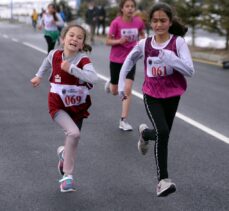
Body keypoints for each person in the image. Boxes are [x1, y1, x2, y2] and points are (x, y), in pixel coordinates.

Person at [118, 2, 195, 196]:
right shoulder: (145, 44)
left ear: (170, 22)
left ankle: (145, 134)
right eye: (155, 21)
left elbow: (190, 71)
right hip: (151, 94)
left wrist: (172, 59)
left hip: (173, 94)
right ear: (150, 23)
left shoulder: (178, 43)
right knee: (163, 131)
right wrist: (120, 85)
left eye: (163, 20)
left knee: (164, 133)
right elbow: (129, 60)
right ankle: (163, 181)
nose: (158, 24)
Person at [30, 24, 98, 192]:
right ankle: (67, 176)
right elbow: (46, 62)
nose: (74, 39)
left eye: (79, 37)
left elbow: (93, 77)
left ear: (82, 44)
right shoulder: (55, 55)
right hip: (58, 104)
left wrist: (73, 69)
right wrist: (39, 76)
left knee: (74, 140)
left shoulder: (83, 60)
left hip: (78, 105)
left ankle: (63, 154)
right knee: (74, 133)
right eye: (71, 35)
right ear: (63, 39)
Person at [105, 0, 145, 131]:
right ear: (122, 8)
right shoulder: (116, 23)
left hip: (130, 60)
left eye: (132, 6)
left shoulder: (138, 22)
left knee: (127, 89)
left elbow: (142, 34)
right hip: (116, 59)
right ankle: (111, 82)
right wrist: (119, 41)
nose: (130, 8)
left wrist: (142, 42)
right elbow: (108, 41)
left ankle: (123, 121)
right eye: (127, 6)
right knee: (115, 91)